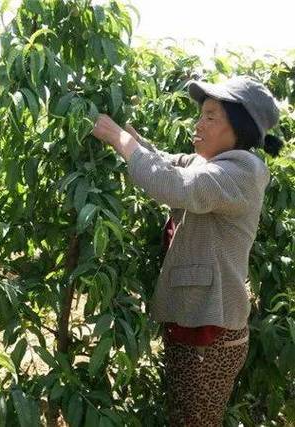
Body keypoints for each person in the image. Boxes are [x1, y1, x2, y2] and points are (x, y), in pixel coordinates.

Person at [92, 76, 283, 426]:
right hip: (193, 317)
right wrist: (137, 143)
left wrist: (119, 140)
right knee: (184, 413)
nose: (198, 123)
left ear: (238, 129)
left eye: (211, 117)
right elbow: (168, 163)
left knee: (195, 420)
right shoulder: (209, 162)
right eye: (201, 114)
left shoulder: (241, 172)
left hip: (212, 328)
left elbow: (173, 185)